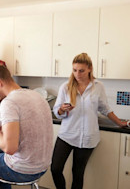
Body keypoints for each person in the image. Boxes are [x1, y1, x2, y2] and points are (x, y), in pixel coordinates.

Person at [0, 64, 53, 189]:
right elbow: (24, 136)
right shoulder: (36, 96)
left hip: (23, 169)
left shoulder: (9, 102)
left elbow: (9, 148)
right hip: (42, 166)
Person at [51, 53, 128, 189]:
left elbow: (105, 109)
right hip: (67, 135)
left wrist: (120, 123)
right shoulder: (65, 87)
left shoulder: (98, 86)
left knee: (78, 174)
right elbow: (57, 111)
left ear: (89, 69)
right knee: (55, 169)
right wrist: (62, 109)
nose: (77, 74)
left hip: (87, 137)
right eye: (75, 70)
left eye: (81, 70)